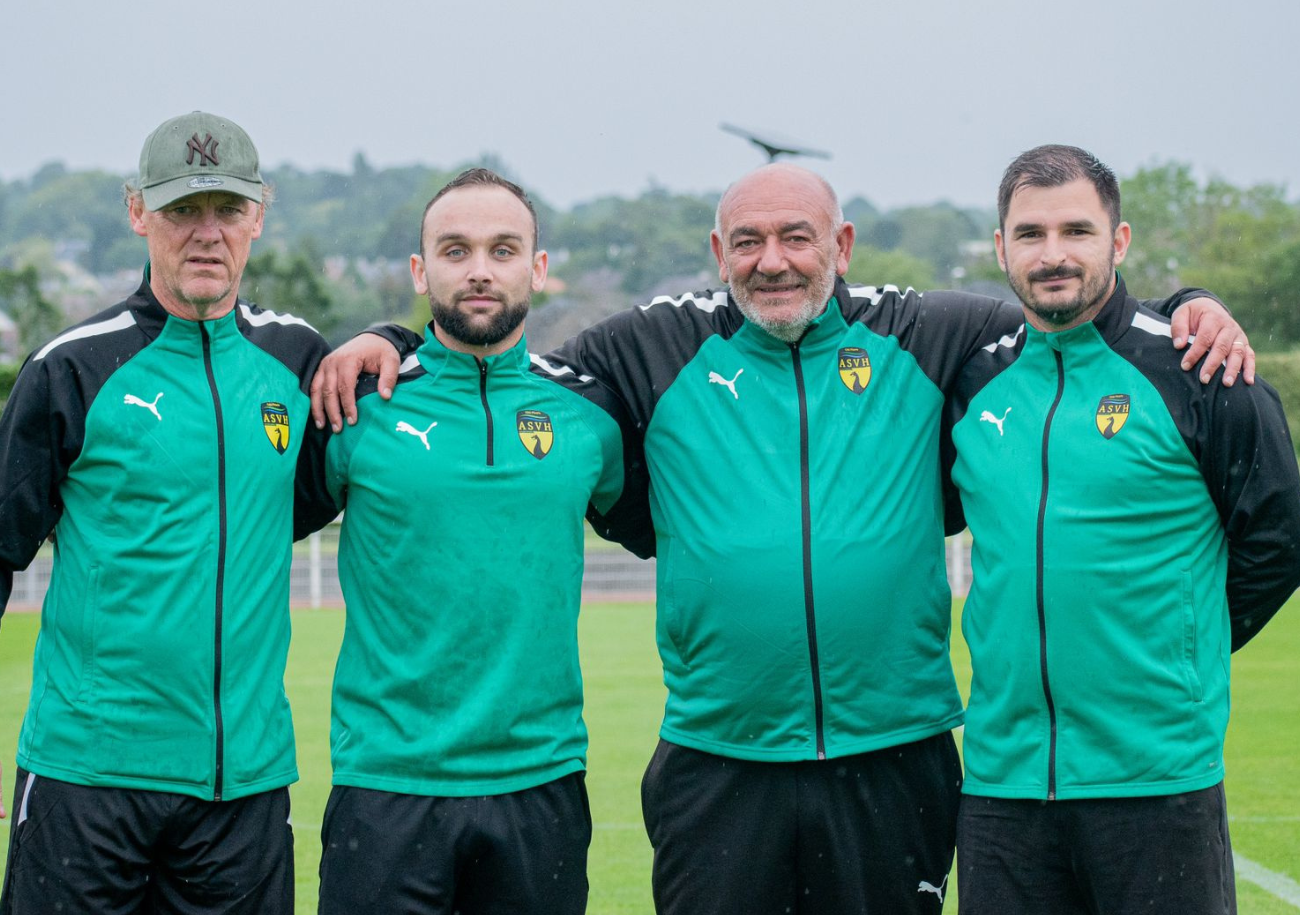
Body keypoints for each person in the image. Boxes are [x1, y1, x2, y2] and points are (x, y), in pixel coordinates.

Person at [312, 163, 1250, 915]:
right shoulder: (647, 351)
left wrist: (1191, 302)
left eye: (798, 237)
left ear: (839, 244)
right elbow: (497, 352)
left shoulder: (930, 334)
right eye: (750, 241)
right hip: (720, 761)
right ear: (717, 250)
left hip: (895, 753)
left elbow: (1074, 315)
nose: (774, 261)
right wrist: (388, 336)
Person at [943, 144, 1300, 915]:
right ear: (1002, 248)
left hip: (1157, 780)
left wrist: (1180, 639)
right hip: (1002, 787)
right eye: (1031, 234)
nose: (1054, 254)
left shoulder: (1200, 369)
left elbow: (1279, 537)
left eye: (1077, 229)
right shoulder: (972, 381)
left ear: (1120, 240)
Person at [0, 111, 335, 914]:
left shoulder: (299, 361)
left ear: (261, 211)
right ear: (136, 211)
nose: (207, 234)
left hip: (243, 789)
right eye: (183, 209)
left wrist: (391, 334)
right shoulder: (71, 369)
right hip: (88, 779)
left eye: (227, 209)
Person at [311, 168, 641, 915]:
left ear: (539, 268)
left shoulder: (589, 414)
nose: (481, 270)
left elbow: (666, 527)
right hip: (386, 784)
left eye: (503, 248)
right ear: (422, 271)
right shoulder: (354, 404)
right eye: (456, 251)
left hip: (541, 782)